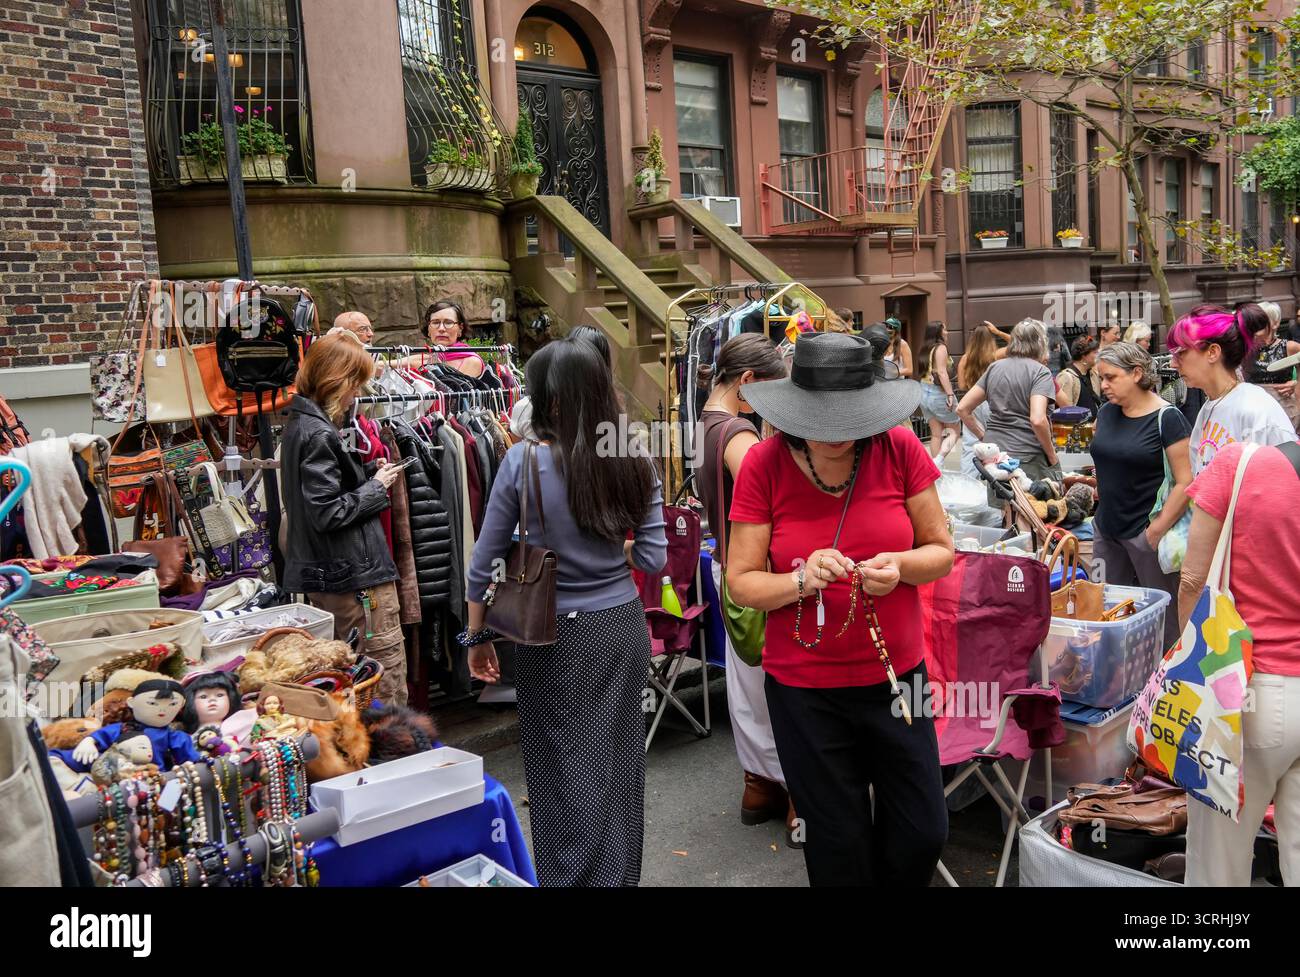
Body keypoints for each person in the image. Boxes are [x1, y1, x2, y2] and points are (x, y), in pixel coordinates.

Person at [725, 331, 953, 887]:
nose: (835, 436)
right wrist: (802, 580)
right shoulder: (764, 464)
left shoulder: (899, 448)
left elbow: (941, 552)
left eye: (850, 422)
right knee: (837, 844)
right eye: (822, 423)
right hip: (805, 693)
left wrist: (899, 566)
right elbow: (742, 583)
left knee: (923, 831)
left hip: (899, 680)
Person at [465, 337, 667, 887]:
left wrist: (475, 637)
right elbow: (652, 555)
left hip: (549, 631)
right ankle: (617, 877)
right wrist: (611, 549)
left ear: (550, 401)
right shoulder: (634, 455)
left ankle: (569, 877)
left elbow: (482, 564)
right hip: (620, 625)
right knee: (619, 762)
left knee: (560, 767)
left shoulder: (521, 461)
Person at [1181, 440, 1300, 886]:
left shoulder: (1239, 463)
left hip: (1248, 690)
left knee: (1218, 868)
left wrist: (1191, 669)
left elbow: (1193, 579)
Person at [695, 334, 793, 837]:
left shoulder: (705, 424)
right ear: (748, 382)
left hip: (728, 564)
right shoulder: (737, 434)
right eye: (771, 390)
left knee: (748, 685)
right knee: (777, 683)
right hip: (756, 571)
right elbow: (769, 495)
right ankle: (794, 790)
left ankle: (759, 785)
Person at [280, 333, 408, 705]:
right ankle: (392, 749)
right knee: (377, 672)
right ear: (337, 380)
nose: (357, 394)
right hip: (353, 578)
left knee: (354, 672)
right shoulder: (317, 430)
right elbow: (328, 511)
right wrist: (376, 487)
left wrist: (368, 472)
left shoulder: (304, 423)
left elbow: (320, 493)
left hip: (339, 574)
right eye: (355, 384)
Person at [1090, 342, 1191, 648]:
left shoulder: (1167, 418)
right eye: (1100, 378)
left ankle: (1166, 683)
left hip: (1145, 533)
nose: (1103, 385)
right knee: (1106, 611)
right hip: (1106, 529)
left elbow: (1186, 481)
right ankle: (1117, 675)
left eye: (1110, 377)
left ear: (1136, 374)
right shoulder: (1107, 412)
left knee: (1163, 616)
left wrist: (1155, 532)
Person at [1168, 303, 1295, 475]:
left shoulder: (1258, 411)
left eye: (1179, 352)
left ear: (1212, 352)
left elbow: (1291, 481)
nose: (1172, 363)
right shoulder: (1209, 407)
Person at [957, 318, 1061, 505]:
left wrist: (984, 437)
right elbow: (1038, 420)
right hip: (1028, 457)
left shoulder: (994, 368)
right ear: (1041, 343)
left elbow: (962, 408)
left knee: (1003, 517)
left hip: (996, 459)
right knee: (1031, 518)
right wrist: (1052, 456)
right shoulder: (1040, 372)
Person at [956, 322, 1005, 480]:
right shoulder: (996, 355)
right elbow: (1019, 345)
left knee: (971, 443)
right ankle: (997, 477)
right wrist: (998, 332)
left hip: (972, 403)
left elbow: (962, 385)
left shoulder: (965, 359)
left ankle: (969, 480)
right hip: (993, 401)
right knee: (996, 441)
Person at [1245, 300, 1300, 429]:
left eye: (1261, 321)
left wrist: (1295, 383)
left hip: (1284, 410)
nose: (1255, 325)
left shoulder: (1289, 347)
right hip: (1254, 410)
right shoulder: (1244, 349)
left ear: (1275, 323)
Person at [400, 301, 485, 377]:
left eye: (448, 323)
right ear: (428, 329)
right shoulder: (423, 359)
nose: (441, 328)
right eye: (435, 322)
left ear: (460, 328)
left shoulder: (472, 361)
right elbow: (388, 364)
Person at [917, 321, 960, 460]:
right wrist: (950, 394)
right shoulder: (941, 348)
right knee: (954, 432)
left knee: (936, 434)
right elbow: (942, 372)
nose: (947, 332)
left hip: (923, 392)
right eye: (944, 330)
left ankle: (936, 469)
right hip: (938, 393)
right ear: (938, 333)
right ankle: (939, 461)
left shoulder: (925, 348)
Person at [1056, 335, 1101, 415]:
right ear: (1084, 356)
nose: (1098, 355)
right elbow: (1066, 413)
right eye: (1095, 352)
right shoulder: (1066, 377)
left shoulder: (1093, 374)